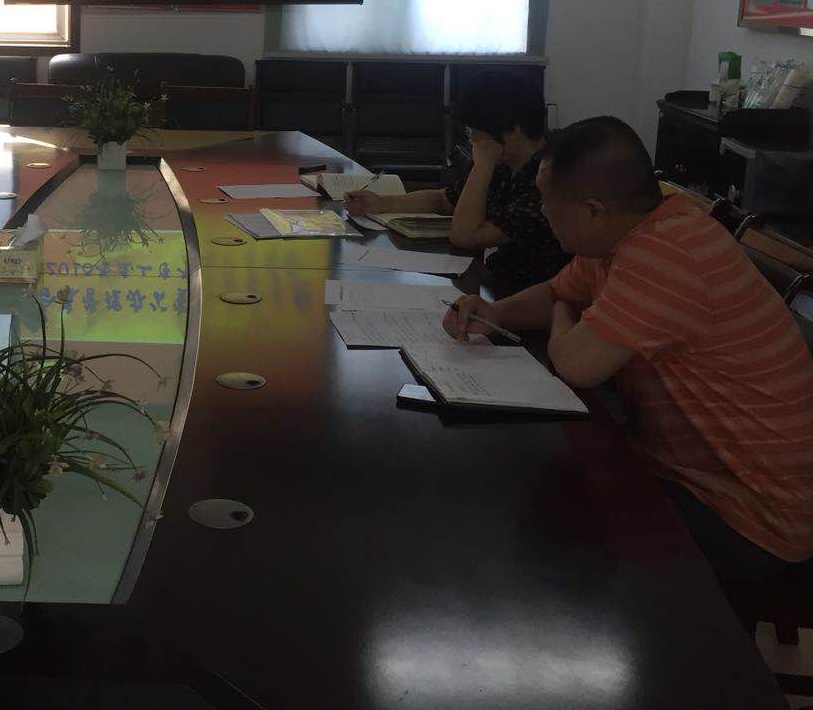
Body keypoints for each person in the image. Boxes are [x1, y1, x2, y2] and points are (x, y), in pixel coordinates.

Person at [445, 116, 813, 578]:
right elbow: (559, 291)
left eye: (546, 201)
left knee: (541, 533)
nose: (541, 211)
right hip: (687, 472)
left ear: (592, 212)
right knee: (535, 491)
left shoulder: (666, 252)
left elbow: (577, 364)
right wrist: (495, 313)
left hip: (752, 516)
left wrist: (561, 316)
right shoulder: (627, 234)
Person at [346, 69, 568, 291]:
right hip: (494, 279)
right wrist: (382, 203)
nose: (471, 140)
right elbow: (443, 200)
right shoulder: (503, 163)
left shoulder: (547, 180)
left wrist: (482, 166)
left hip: (526, 293)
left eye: (474, 131)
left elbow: (466, 236)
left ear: (513, 131)